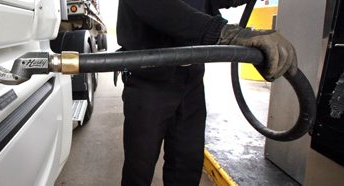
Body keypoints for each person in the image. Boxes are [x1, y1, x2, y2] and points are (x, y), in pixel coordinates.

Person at [117, 0, 297, 185]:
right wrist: (223, 32)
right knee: (139, 168)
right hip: (148, 78)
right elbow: (156, 6)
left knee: (187, 164)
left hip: (191, 76)